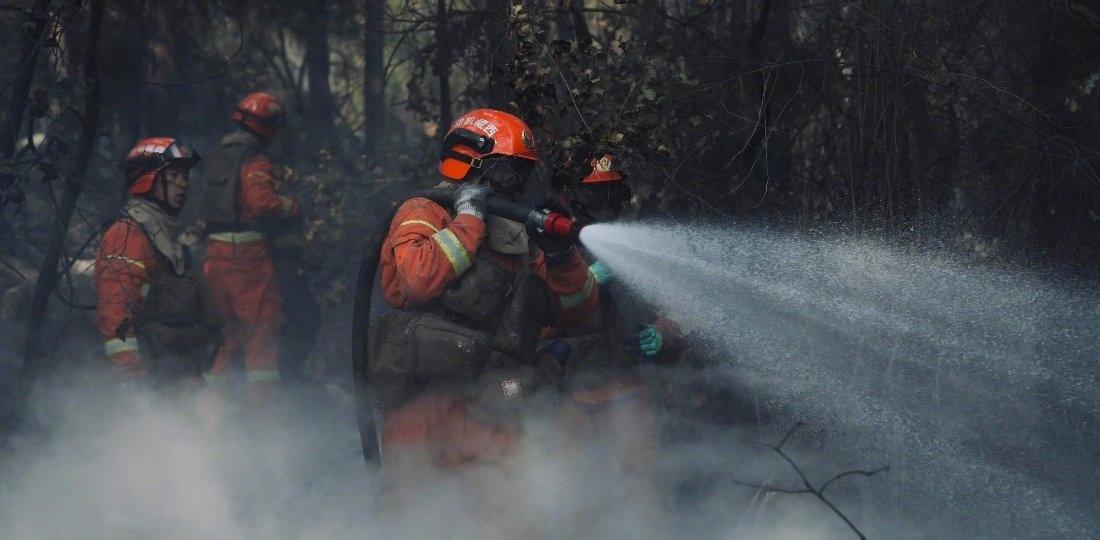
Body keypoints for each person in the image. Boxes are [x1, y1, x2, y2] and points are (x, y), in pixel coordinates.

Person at [369, 108, 599, 475]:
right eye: (508, 171)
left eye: (521, 174)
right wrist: (468, 220)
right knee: (416, 515)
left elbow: (578, 312)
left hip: (493, 409)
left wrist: (561, 256)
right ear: (471, 162)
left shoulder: (516, 236)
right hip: (423, 408)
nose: (515, 184)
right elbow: (416, 280)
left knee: (508, 523)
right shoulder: (424, 211)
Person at [199, 92, 301, 404]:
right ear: (268, 125)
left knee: (224, 338)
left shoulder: (219, 154)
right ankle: (264, 426)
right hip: (249, 262)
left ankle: (205, 417)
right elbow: (261, 203)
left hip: (214, 256)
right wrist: (292, 206)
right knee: (261, 338)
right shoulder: (254, 158)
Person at [96, 137, 221, 389]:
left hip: (178, 377)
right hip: (149, 380)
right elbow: (115, 313)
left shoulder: (167, 237)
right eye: (173, 175)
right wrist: (130, 380)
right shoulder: (127, 233)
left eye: (185, 176)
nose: (183, 184)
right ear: (147, 178)